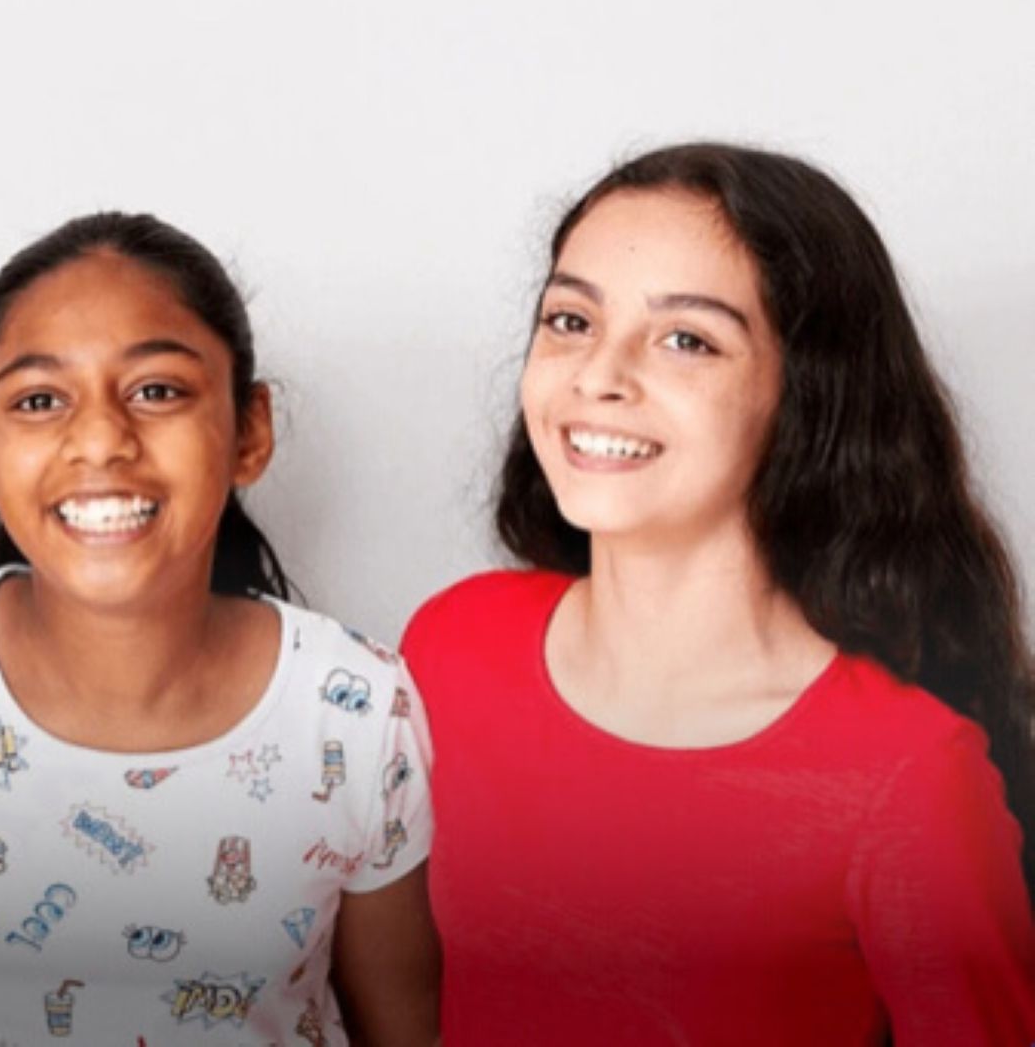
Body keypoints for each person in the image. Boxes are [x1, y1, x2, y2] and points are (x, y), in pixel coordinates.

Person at [0, 211, 441, 1045]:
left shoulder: (358, 709)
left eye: (156, 390)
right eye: (40, 401)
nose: (100, 441)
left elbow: (400, 1024)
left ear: (250, 431)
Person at [403, 143, 1035, 1044]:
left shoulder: (910, 777)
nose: (600, 376)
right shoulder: (452, 645)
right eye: (570, 320)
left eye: (686, 340)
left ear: (809, 396)